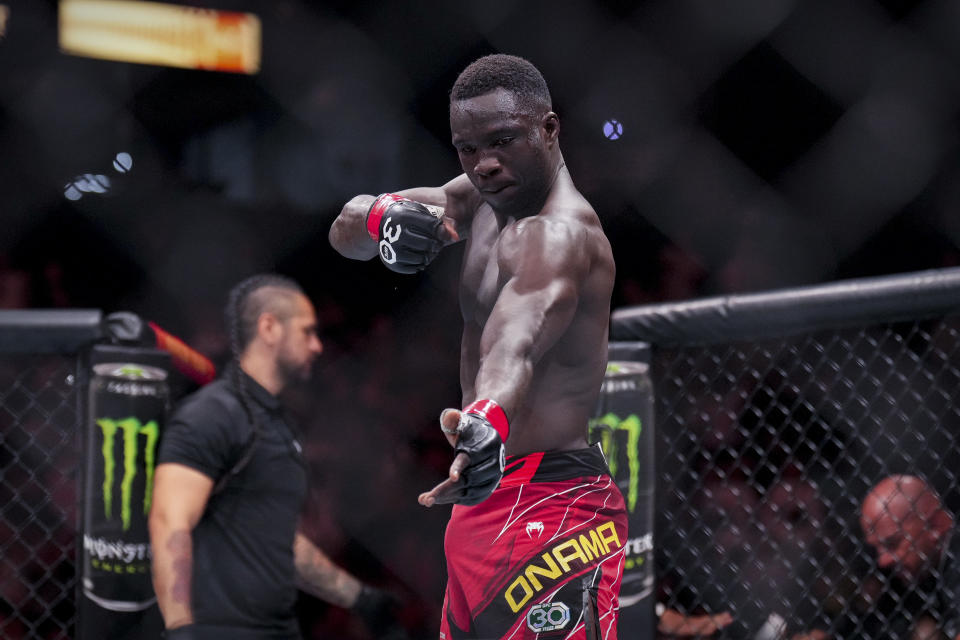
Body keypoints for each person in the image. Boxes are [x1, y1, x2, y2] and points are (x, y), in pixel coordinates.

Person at [329, 54, 628, 639]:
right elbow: (343, 225)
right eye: (467, 148)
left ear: (549, 129)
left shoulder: (561, 235)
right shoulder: (479, 195)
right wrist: (380, 220)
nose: (484, 164)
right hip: (480, 500)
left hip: (553, 504)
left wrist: (486, 421)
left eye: (503, 141)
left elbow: (516, 339)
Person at [149, 274, 401, 639]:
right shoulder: (212, 414)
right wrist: (181, 628)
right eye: (306, 332)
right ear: (269, 328)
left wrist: (357, 596)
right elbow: (169, 522)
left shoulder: (276, 424)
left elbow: (276, 537)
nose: (317, 346)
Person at [858, 474, 960, 640]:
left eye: (893, 544)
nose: (883, 561)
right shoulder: (926, 575)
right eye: (877, 548)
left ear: (935, 525)